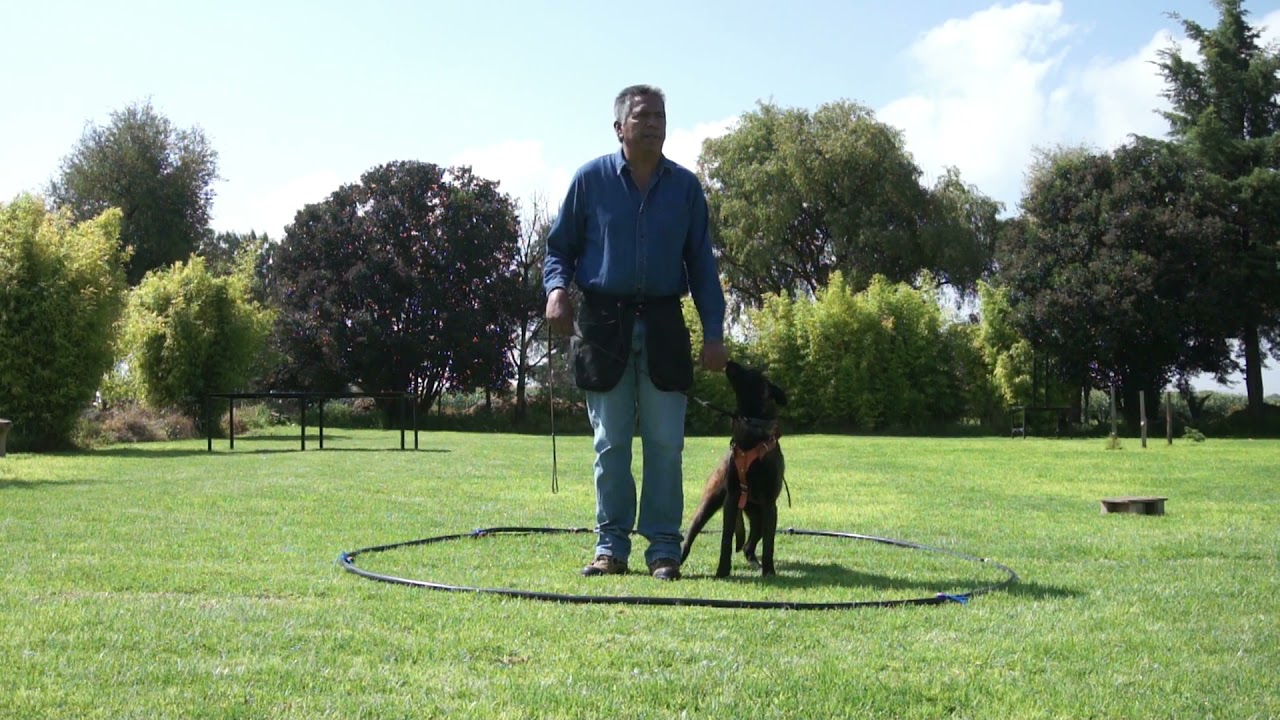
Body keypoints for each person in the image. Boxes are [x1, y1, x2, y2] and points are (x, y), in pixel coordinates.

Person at [543, 84, 728, 581]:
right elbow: (558, 249)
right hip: (603, 324)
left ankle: (665, 550)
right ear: (619, 127)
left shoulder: (686, 189)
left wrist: (714, 332)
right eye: (643, 116)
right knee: (611, 444)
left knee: (666, 443)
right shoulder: (590, 181)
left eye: (661, 117)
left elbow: (703, 268)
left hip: (667, 323)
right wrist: (557, 289)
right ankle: (611, 548)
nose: (653, 124)